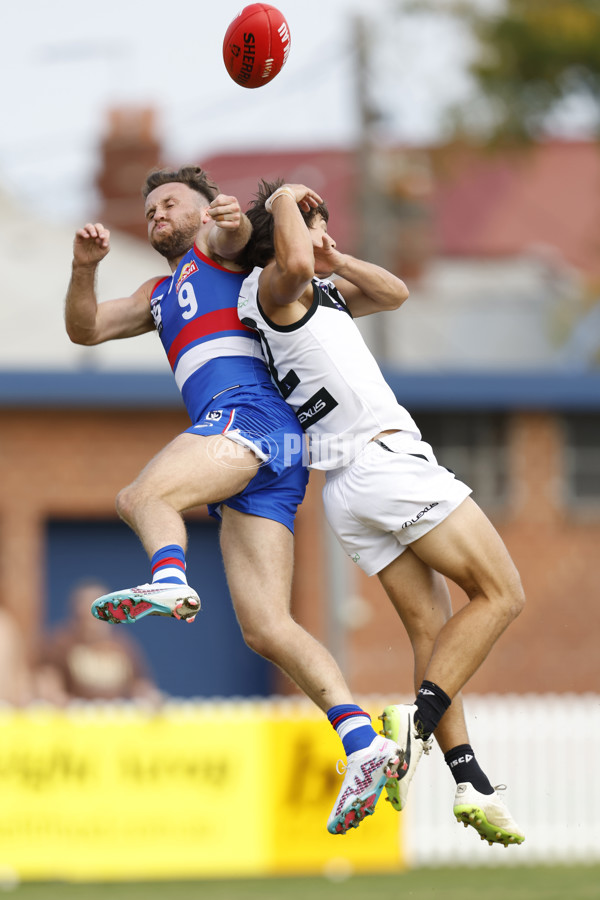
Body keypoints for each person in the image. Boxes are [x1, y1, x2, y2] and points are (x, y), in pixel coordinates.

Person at [64, 165, 403, 836]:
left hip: (246, 418)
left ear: (201, 211)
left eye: (171, 203)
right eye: (151, 206)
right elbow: (86, 331)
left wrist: (240, 218)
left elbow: (239, 233)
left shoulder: (214, 248)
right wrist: (82, 268)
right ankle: (364, 743)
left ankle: (169, 579)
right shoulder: (159, 292)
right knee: (266, 628)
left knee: (142, 495)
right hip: (268, 452)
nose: (158, 213)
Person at [236, 179, 527, 846]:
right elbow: (298, 262)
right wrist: (285, 195)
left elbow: (394, 292)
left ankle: (467, 779)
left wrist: (336, 259)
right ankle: (415, 724)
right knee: (502, 593)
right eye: (317, 223)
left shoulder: (314, 290)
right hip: (383, 463)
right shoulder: (275, 289)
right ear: (284, 237)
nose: (324, 234)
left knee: (434, 631)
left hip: (351, 487)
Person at [36, 580, 161, 704]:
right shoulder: (60, 644)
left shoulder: (122, 645)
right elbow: (48, 685)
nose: (94, 624)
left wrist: (147, 697)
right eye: (88, 616)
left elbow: (141, 685)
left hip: (114, 717)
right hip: (75, 717)